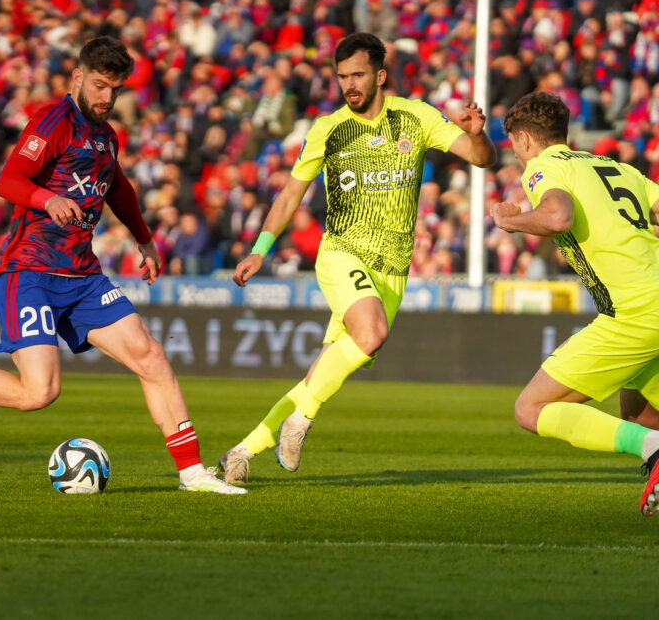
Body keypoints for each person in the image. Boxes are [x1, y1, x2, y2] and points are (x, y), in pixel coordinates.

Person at [0, 37, 245, 495]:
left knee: (151, 356)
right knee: (38, 393)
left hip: (82, 277)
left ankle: (192, 473)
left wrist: (145, 241)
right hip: (30, 272)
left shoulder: (106, 135)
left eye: (115, 90)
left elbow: (118, 190)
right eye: (99, 85)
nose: (106, 98)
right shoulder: (53, 120)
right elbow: (9, 180)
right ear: (78, 77)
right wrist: (47, 198)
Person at [219, 33, 496, 483]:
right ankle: (300, 421)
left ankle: (241, 452)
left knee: (322, 373)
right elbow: (292, 193)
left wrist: (477, 136)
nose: (349, 83)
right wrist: (259, 249)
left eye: (358, 75)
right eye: (342, 75)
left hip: (393, 271)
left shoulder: (416, 117)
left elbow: (481, 158)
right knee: (371, 333)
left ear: (380, 76)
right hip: (342, 253)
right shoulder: (328, 129)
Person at [490, 91, 659, 516]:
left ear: (526, 139)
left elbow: (557, 217)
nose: (517, 153)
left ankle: (655, 451)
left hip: (636, 311)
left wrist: (509, 220)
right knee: (638, 410)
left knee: (531, 408)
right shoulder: (616, 166)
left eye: (514, 144)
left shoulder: (543, 168)